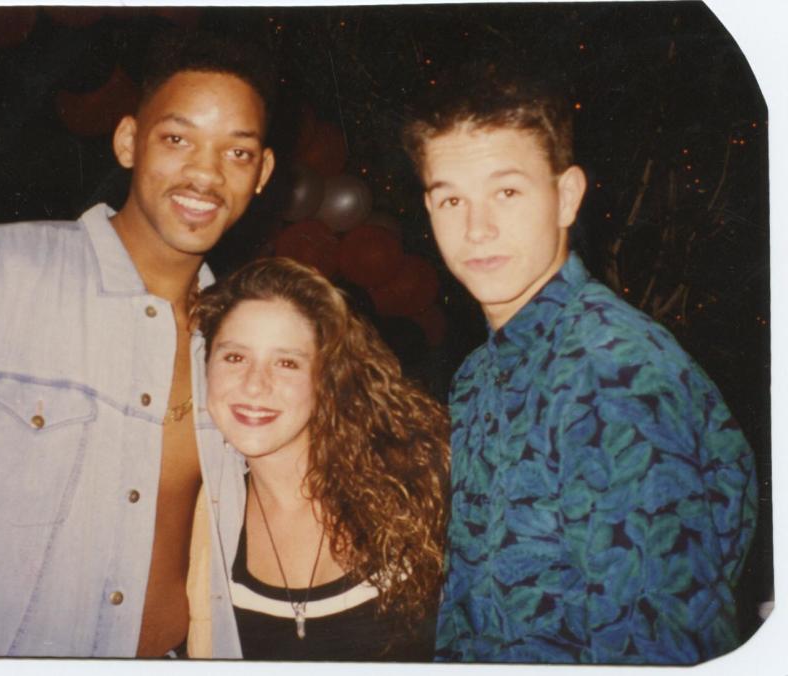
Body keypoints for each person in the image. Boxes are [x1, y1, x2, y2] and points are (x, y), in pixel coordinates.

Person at [0, 34, 275, 657]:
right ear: (127, 142)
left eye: (237, 152)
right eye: (177, 139)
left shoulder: (239, 353)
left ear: (262, 174)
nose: (205, 172)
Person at [402, 61, 758, 664]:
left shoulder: (615, 376)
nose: (477, 228)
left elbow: (663, 648)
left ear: (566, 196)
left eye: (507, 192)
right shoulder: (478, 374)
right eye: (451, 199)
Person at [192, 256, 450, 660]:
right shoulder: (202, 530)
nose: (255, 386)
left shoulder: (418, 488)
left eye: (287, 363)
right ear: (205, 367)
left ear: (327, 377)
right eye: (235, 357)